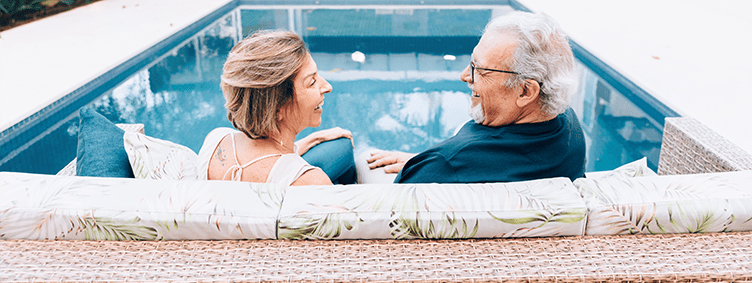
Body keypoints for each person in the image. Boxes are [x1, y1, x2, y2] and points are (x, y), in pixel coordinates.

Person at [362, 11, 586, 184]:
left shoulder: (445, 167)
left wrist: (435, 164)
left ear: (526, 92)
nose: (464, 76)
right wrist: (424, 159)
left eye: (480, 69)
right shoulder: (570, 129)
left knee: (361, 160)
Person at [197, 30, 356, 186]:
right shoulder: (311, 181)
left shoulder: (216, 141)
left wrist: (316, 138)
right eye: (312, 82)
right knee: (343, 154)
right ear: (277, 107)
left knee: (341, 144)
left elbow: (265, 162)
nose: (327, 87)